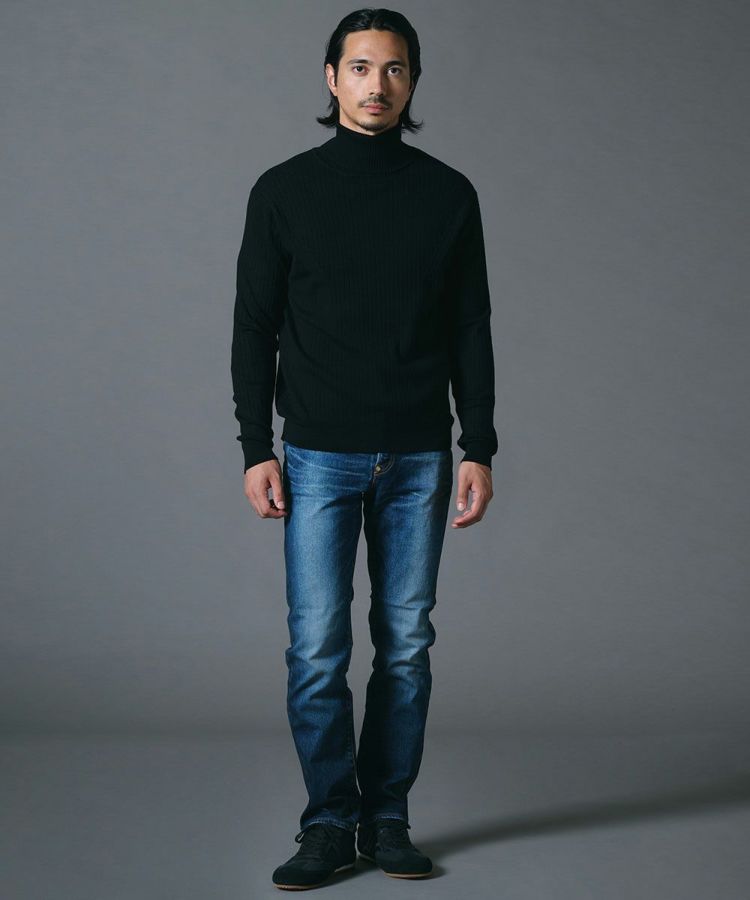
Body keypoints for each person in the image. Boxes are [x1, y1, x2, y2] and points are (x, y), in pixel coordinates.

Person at [231, 8, 498, 891]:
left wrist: (478, 444)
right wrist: (255, 447)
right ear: (331, 77)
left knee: (406, 647)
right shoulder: (283, 191)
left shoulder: (448, 194)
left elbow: (470, 326)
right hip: (316, 457)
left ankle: (387, 821)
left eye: (394, 69)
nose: (376, 84)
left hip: (420, 456)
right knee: (316, 650)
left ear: (413, 81)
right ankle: (327, 824)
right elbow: (255, 327)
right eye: (359, 67)